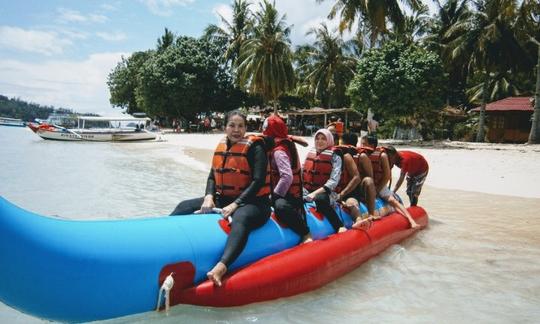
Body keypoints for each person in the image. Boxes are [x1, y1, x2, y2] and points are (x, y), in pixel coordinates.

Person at [170, 110, 272, 286]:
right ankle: (164, 239)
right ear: (225, 127)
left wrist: (236, 204)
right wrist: (209, 197)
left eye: (240, 126)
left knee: (241, 218)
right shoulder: (222, 146)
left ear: (246, 128)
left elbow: (258, 181)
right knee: (183, 206)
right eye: (232, 125)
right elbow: (212, 176)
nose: (236, 130)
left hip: (256, 203)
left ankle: (222, 267)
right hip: (224, 199)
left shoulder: (255, 148)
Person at [262, 115, 312, 243]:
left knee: (280, 206)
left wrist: (275, 196)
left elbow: (287, 176)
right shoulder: (282, 141)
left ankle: (305, 233)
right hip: (282, 191)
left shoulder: (279, 151)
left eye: (265, 129)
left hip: (290, 196)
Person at [364, 143, 419, 229]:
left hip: (378, 185)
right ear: (391, 155)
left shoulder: (376, 155)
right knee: (393, 201)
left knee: (393, 201)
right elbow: (387, 176)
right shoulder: (380, 155)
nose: (393, 161)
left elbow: (387, 177)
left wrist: (377, 191)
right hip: (371, 185)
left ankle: (411, 220)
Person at [303, 129, 346, 233]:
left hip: (328, 193)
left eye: (323, 139)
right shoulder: (312, 153)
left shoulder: (336, 156)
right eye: (317, 138)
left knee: (320, 199)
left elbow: (333, 181)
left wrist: (314, 194)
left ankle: (339, 225)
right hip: (308, 191)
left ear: (329, 140)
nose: (319, 141)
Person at [337, 133, 377, 229]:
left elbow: (370, 177)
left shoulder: (361, 156)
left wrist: (342, 194)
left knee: (368, 181)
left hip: (355, 190)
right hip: (339, 189)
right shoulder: (335, 155)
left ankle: (371, 214)